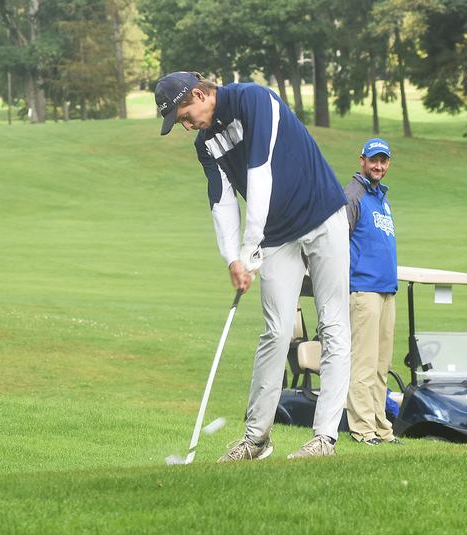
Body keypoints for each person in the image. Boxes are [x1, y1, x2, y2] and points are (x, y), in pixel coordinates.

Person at [154, 71, 351, 461]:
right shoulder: (205, 144)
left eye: (185, 115)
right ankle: (256, 438)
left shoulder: (256, 100)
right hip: (277, 234)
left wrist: (249, 247)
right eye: (180, 122)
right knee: (276, 331)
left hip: (323, 214)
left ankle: (324, 438)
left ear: (199, 93)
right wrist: (232, 258)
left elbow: (260, 171)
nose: (186, 125)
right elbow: (222, 201)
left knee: (332, 323)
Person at [344, 138, 401, 446]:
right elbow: (339, 241)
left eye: (384, 161)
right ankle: (363, 430)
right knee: (364, 364)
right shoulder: (353, 195)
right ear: (362, 159)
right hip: (363, 289)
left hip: (385, 290)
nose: (378, 166)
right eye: (374, 160)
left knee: (382, 366)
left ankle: (381, 427)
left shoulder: (381, 197)